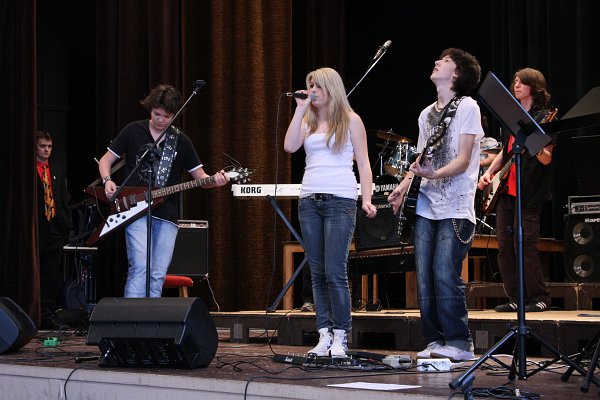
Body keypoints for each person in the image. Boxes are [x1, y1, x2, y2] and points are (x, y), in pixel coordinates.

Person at [388, 48, 484, 362]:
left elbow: (464, 159)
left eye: (444, 61)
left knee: (445, 272)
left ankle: (459, 342)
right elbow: (420, 161)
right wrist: (403, 187)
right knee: (425, 277)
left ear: (457, 73)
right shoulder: (425, 114)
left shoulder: (468, 106)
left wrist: (435, 174)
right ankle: (435, 340)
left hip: (455, 204)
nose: (436, 62)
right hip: (425, 203)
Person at [98, 84, 229, 298]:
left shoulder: (181, 141)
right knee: (140, 266)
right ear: (150, 109)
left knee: (158, 273)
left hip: (167, 214)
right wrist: (107, 181)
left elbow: (201, 178)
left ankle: (151, 317)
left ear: (174, 115)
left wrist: (216, 181)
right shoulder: (133, 130)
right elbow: (106, 160)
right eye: (156, 114)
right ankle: (131, 317)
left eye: (167, 116)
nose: (160, 120)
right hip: (135, 209)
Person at [284, 67, 377, 357]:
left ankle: (341, 335)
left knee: (335, 271)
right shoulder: (308, 121)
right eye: (310, 85)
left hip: (340, 199)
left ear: (331, 89)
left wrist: (366, 198)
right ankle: (323, 334)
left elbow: (364, 163)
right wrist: (299, 109)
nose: (312, 91)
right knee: (317, 271)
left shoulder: (351, 120)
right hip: (309, 199)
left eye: (317, 86)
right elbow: (289, 146)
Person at [478, 68, 554, 313]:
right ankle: (516, 298)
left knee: (526, 246)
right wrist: (490, 172)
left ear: (534, 87)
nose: (516, 85)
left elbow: (546, 159)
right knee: (505, 248)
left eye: (521, 82)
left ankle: (539, 297)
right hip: (505, 192)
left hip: (528, 193)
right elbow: (507, 151)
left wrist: (535, 144)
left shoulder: (544, 117)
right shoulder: (512, 118)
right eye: (515, 81)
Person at [36, 130, 73, 329]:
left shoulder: (56, 169)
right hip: (37, 227)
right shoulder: (29, 170)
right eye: (42, 146)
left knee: (51, 274)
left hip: (55, 228)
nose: (46, 150)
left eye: (49, 146)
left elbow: (62, 198)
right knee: (35, 270)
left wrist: (66, 225)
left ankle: (47, 313)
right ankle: (31, 311)